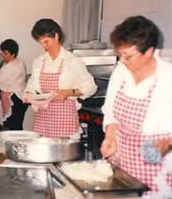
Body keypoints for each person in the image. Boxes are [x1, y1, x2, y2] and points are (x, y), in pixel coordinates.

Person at [100, 16, 172, 198]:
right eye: (120, 55)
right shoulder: (121, 72)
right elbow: (110, 114)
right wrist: (110, 136)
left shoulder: (167, 78)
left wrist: (167, 144)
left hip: (157, 168)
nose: (122, 61)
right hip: (123, 162)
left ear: (149, 51)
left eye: (128, 56)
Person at [24, 18, 97, 138]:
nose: (44, 46)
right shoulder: (39, 61)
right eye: (41, 42)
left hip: (65, 120)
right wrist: (28, 93)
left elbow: (91, 87)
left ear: (56, 36)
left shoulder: (72, 61)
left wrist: (68, 92)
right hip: (43, 119)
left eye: (46, 41)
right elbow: (32, 84)